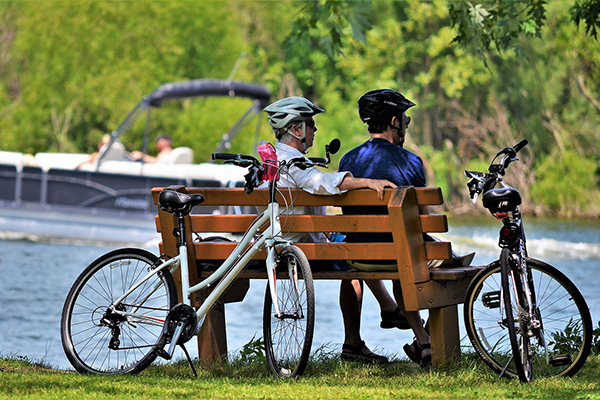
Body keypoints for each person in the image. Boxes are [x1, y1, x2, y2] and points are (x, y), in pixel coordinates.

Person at [263, 96, 409, 364]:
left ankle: (384, 314)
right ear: (296, 130)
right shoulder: (293, 164)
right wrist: (365, 181)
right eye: (310, 124)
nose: (314, 130)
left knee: (350, 245)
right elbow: (322, 183)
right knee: (355, 252)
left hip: (283, 242)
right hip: (299, 249)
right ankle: (374, 323)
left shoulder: (272, 160)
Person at [339, 89, 473, 366]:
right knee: (413, 254)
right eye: (405, 120)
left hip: (359, 256)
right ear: (394, 121)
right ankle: (428, 342)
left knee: (398, 251)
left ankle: (370, 340)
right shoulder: (410, 161)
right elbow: (421, 216)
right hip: (401, 255)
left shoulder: (348, 161)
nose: (406, 126)